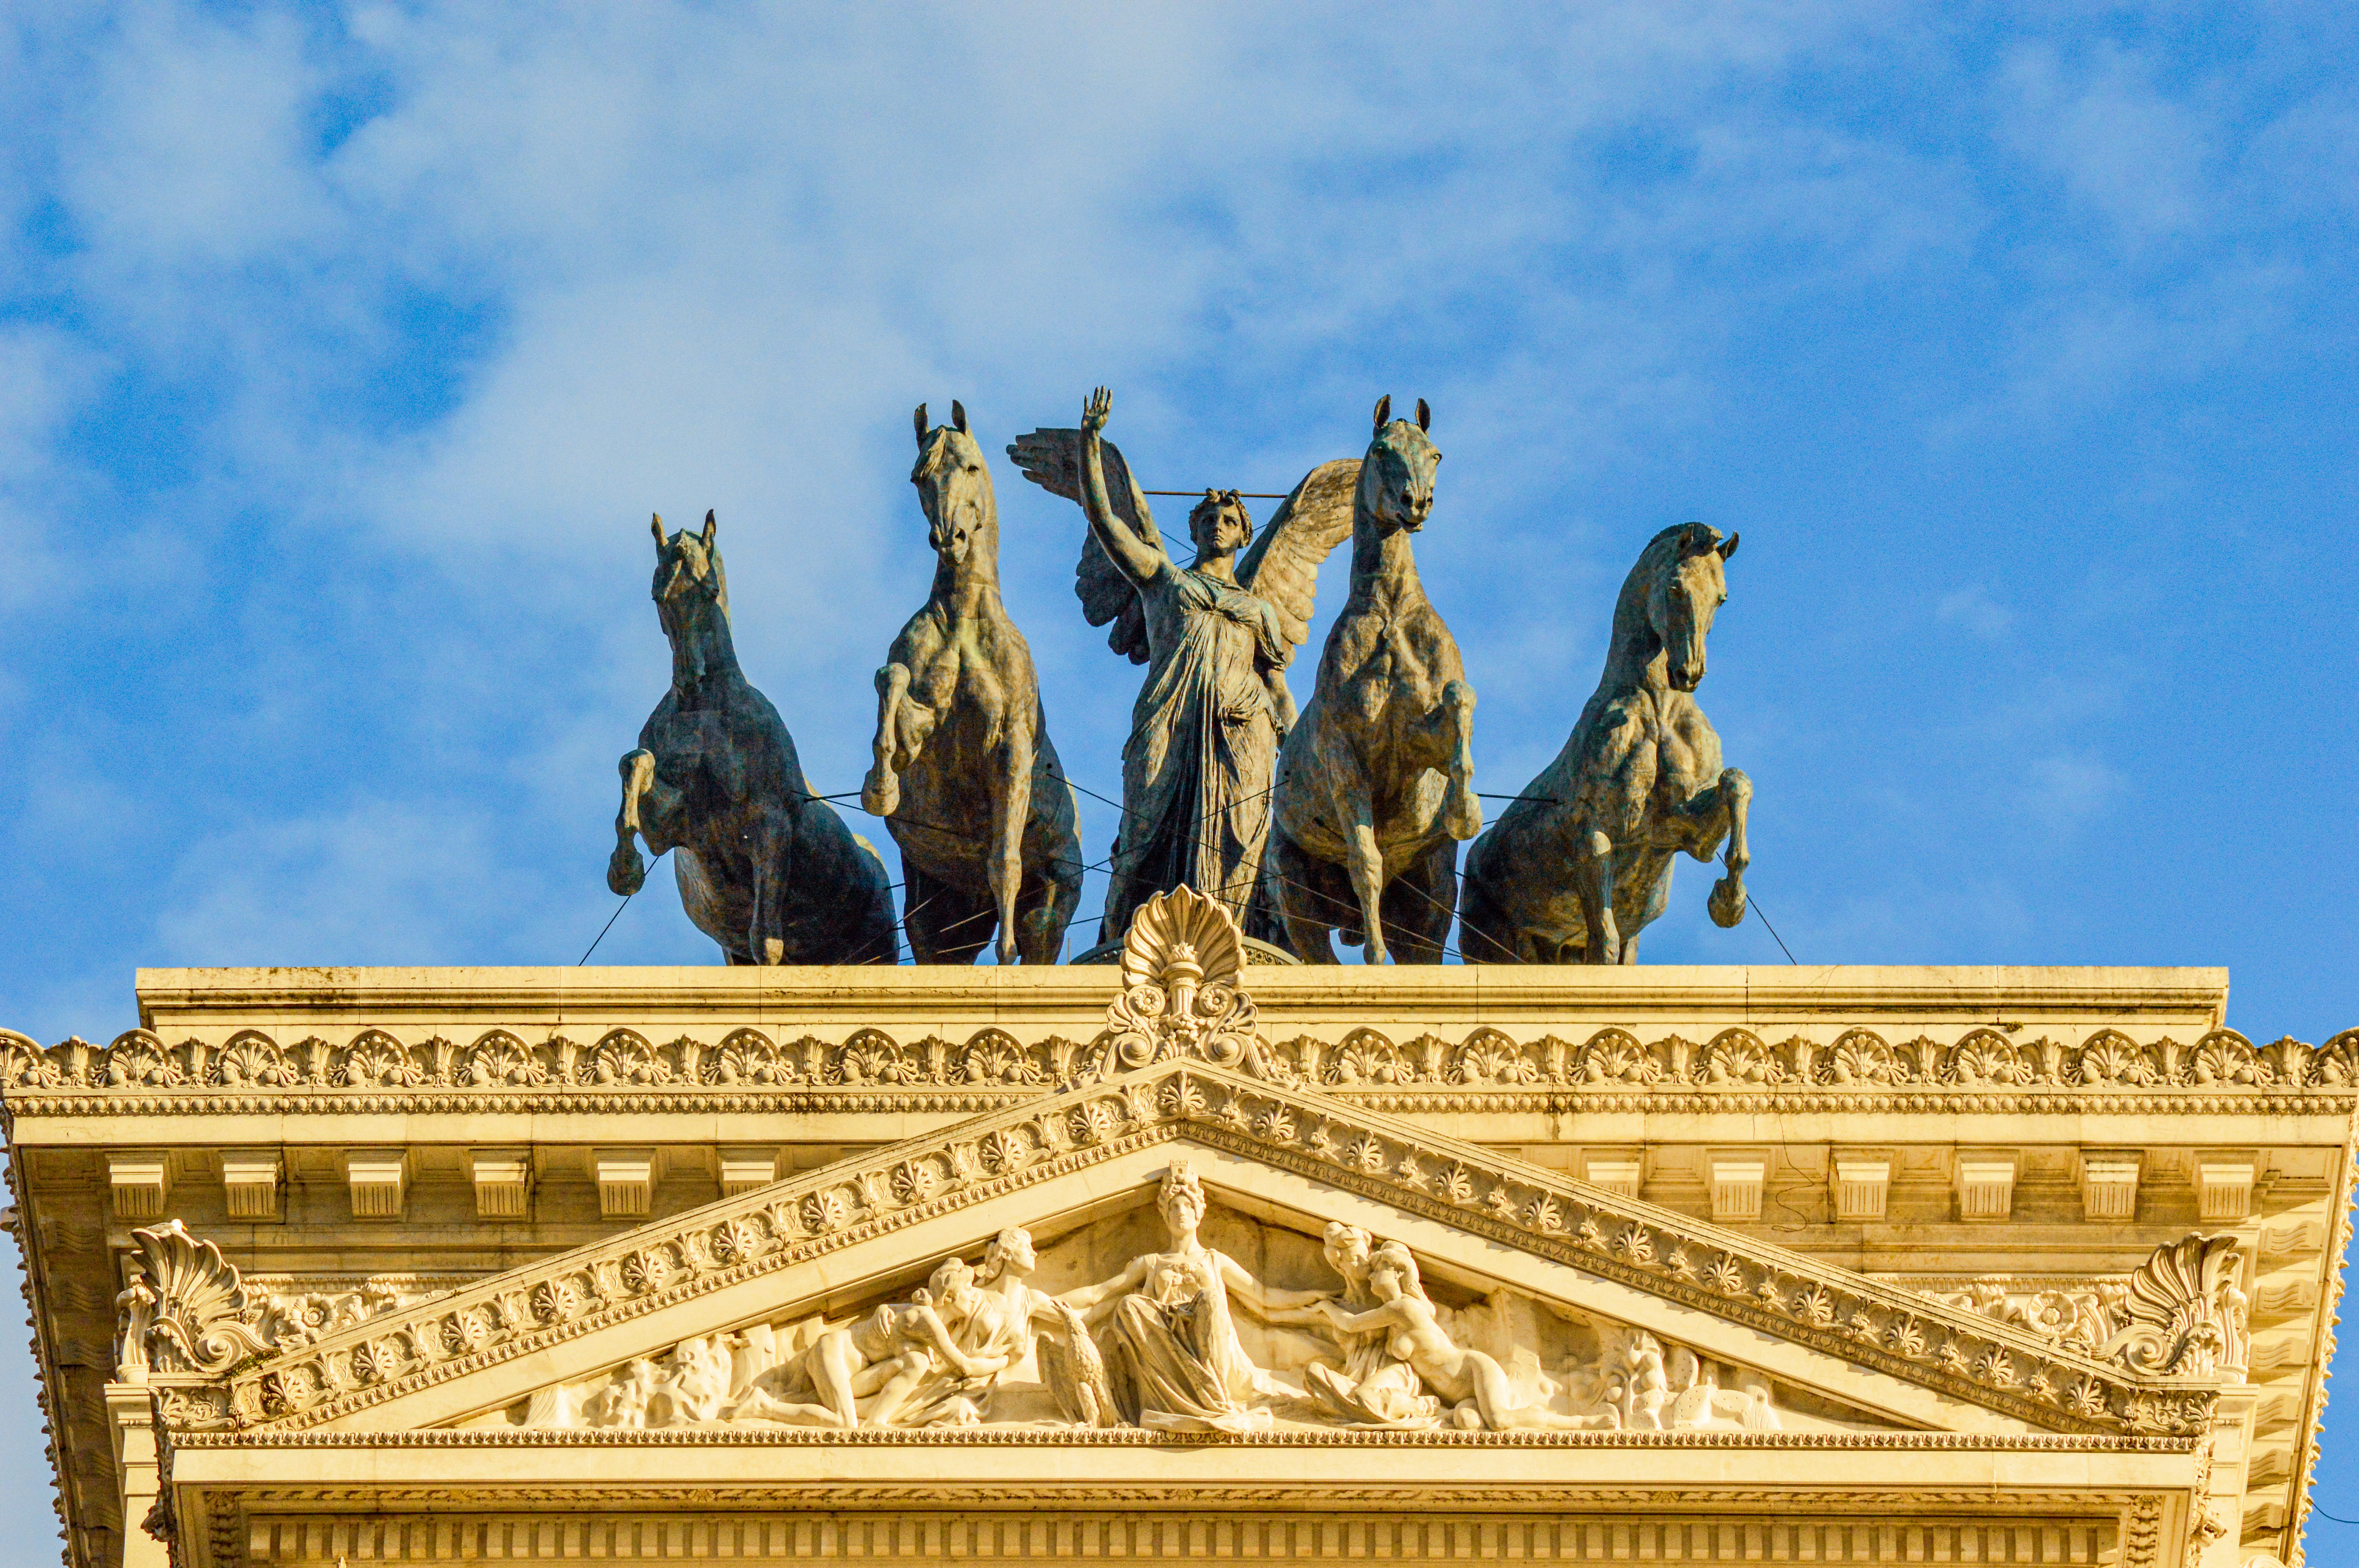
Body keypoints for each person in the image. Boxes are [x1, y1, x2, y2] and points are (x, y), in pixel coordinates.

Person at [1074, 388, 1294, 936]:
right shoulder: (1163, 579)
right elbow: (1107, 522)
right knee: (1142, 827)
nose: (1218, 525)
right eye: (1209, 518)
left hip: (1242, 727)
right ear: (1194, 529)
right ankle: (1118, 933)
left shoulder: (1258, 610)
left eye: (1229, 519)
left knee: (1240, 836)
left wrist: (1297, 740)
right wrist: (1090, 447)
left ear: (1243, 534)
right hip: (1169, 716)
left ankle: (1233, 939)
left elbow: (1277, 683)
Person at [1057, 1161, 1330, 1432]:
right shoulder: (1151, 1263)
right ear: (1165, 1214)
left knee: (1210, 1298)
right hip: (1165, 1343)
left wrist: (1316, 1298)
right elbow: (1098, 1293)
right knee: (1130, 1304)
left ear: (1199, 1214)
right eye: (1174, 1207)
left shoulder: (1214, 1260)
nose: (1181, 1213)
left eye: (1188, 1206)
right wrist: (1047, 1304)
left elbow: (1264, 1297)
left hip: (1207, 1342)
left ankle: (1211, 1397)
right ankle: (1171, 1397)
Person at [1313, 1242, 1588, 1432]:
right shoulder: (1400, 1310)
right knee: (1468, 1422)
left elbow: (1350, 1324)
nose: (1371, 1276)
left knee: (1501, 1421)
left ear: (1397, 1273)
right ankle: (1430, 1407)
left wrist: (1324, 1305)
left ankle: (1580, 1424)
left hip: (1472, 1371)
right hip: (1454, 1393)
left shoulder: (1404, 1308)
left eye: (1377, 1270)